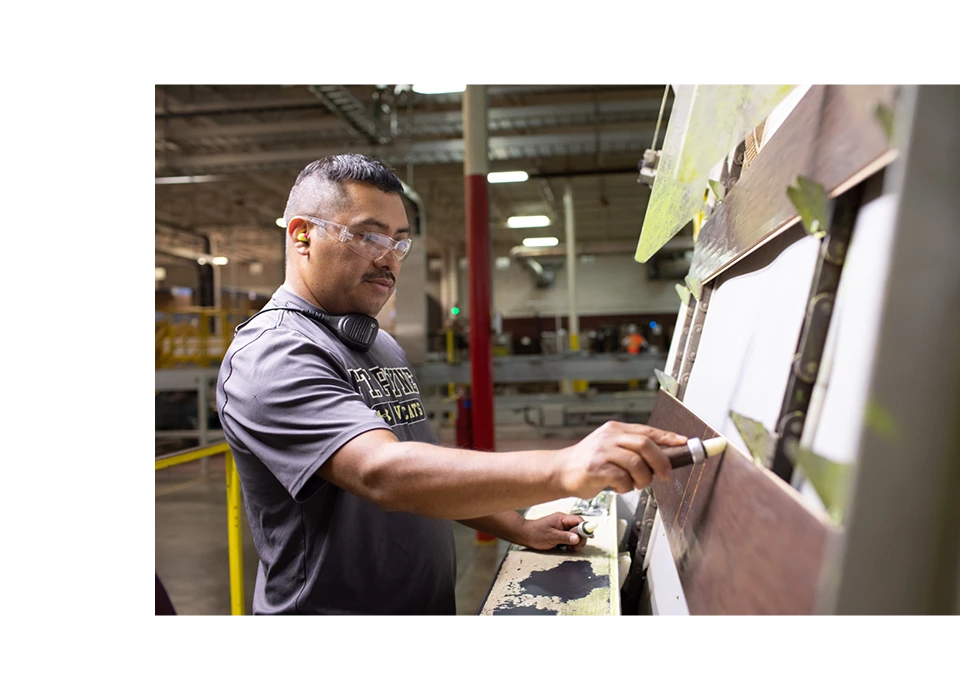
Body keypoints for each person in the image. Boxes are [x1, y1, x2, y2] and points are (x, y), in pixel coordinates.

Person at [215, 154, 688, 616]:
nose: (389, 259)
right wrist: (563, 466)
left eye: (400, 242)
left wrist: (520, 527)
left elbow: (429, 476)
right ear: (302, 236)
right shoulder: (273, 355)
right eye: (368, 236)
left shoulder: (379, 344)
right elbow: (383, 472)